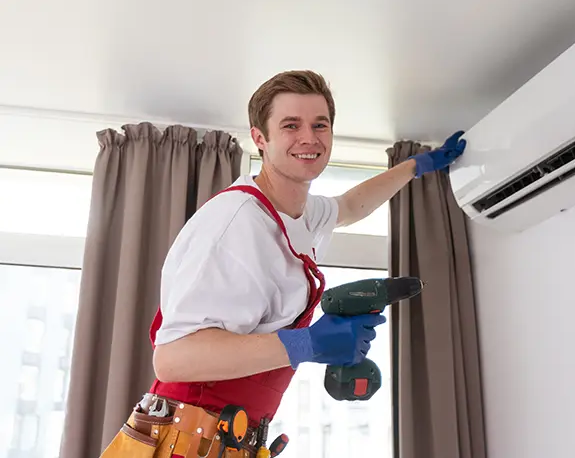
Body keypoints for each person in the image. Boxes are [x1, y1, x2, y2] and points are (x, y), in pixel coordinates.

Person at [100, 70, 466, 457]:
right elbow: (172, 360)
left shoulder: (299, 212)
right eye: (291, 125)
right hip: (183, 441)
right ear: (260, 138)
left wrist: (416, 167)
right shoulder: (237, 222)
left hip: (229, 442)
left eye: (319, 125)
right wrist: (306, 342)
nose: (309, 138)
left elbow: (349, 207)